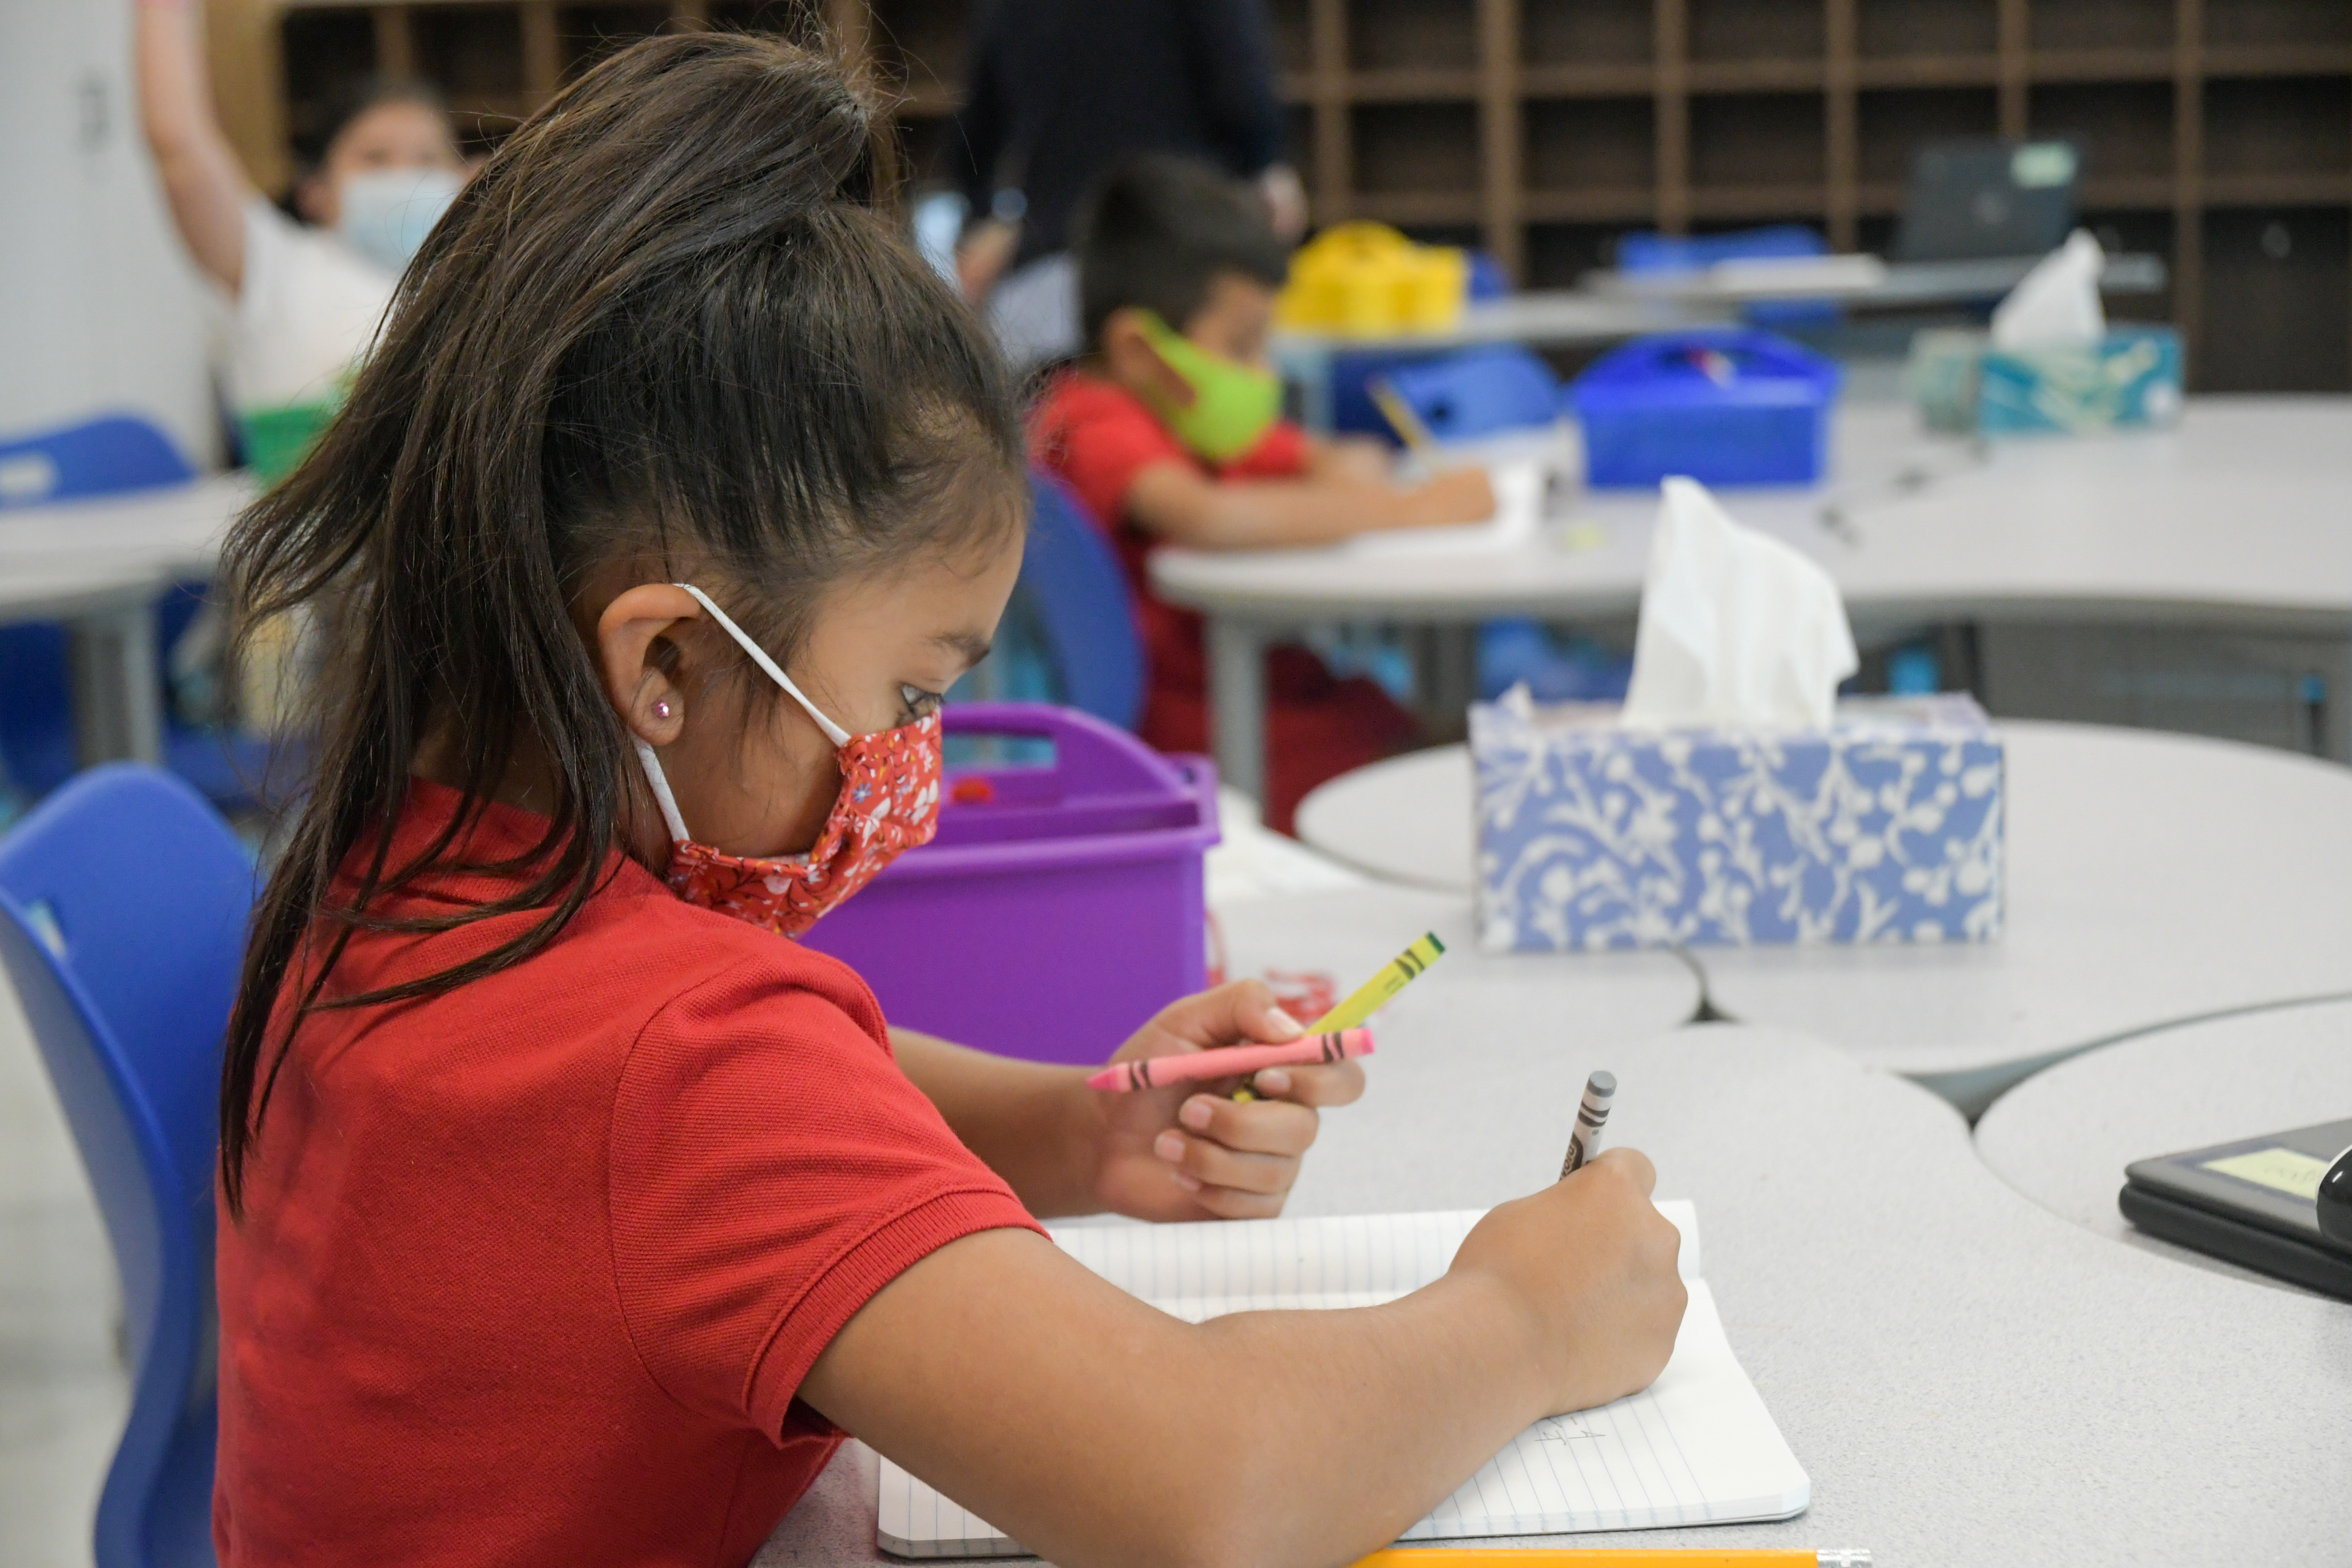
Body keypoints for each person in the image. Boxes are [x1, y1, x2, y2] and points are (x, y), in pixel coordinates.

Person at [212, 35, 1686, 1567]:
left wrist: (1079, 1131)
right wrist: (1523, 1312)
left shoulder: (400, 872)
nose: (912, 763)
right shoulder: (669, 1060)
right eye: (912, 692)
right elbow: (1215, 1486)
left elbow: (784, 1086)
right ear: (660, 659)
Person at [1030, 156, 1500, 832]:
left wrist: (1340, 480)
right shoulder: (1094, 420)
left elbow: (1334, 458)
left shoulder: (1187, 414)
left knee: (1454, 741)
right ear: (1138, 347)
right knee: (1452, 761)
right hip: (1207, 738)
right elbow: (1209, 516)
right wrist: (1413, 511)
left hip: (1277, 692)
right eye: (1241, 345)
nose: (1263, 372)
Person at [135, 0, 467, 475]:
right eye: (375, 158)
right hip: (311, 545)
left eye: (428, 159)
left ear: (464, 180)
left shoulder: (476, 282)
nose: (405, 177)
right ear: (316, 192)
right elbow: (179, 144)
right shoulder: (275, 268)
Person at [942, 0, 1307, 369]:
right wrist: (1268, 166)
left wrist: (984, 219)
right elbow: (1243, 92)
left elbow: (973, 135)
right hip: (1184, 275)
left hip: (1050, 277)